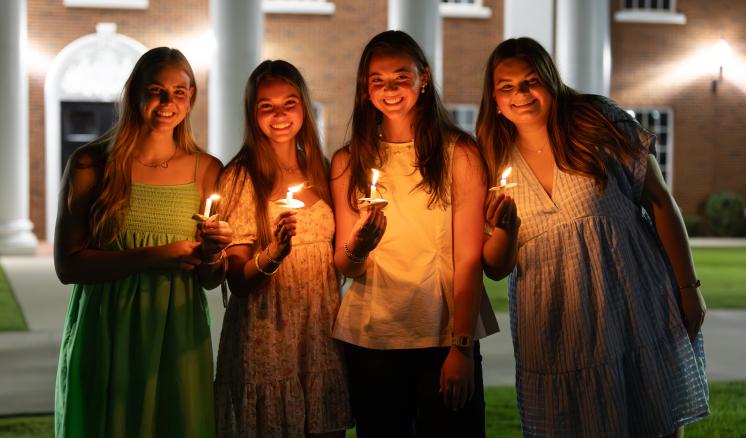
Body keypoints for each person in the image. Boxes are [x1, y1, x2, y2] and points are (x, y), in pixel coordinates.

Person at [478, 37, 709, 437]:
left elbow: (659, 201)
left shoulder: (596, 120)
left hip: (631, 295)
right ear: (495, 98)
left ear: (551, 81)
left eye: (531, 81)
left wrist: (689, 288)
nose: (521, 94)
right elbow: (497, 269)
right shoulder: (492, 156)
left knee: (653, 414)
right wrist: (506, 231)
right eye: (507, 86)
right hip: (554, 319)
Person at [54, 47, 232, 438]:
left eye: (179, 92)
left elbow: (209, 279)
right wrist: (155, 256)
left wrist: (214, 252)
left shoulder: (207, 169)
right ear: (134, 93)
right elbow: (68, 267)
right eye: (157, 90)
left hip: (176, 328)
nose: (168, 102)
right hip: (107, 326)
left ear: (191, 98)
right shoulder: (90, 164)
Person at [330, 30, 499, 438]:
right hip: (372, 338)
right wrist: (360, 245)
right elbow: (344, 265)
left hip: (442, 334)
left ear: (423, 78)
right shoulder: (347, 161)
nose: (389, 89)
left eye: (400, 77)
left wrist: (460, 346)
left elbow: (468, 256)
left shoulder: (460, 153)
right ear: (365, 88)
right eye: (377, 80)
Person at [213, 59, 353, 438]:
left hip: (320, 334)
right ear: (252, 113)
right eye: (266, 106)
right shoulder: (241, 178)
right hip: (265, 338)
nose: (279, 115)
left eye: (289, 103)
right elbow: (239, 281)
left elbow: (342, 258)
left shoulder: (324, 172)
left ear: (304, 107)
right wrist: (273, 253)